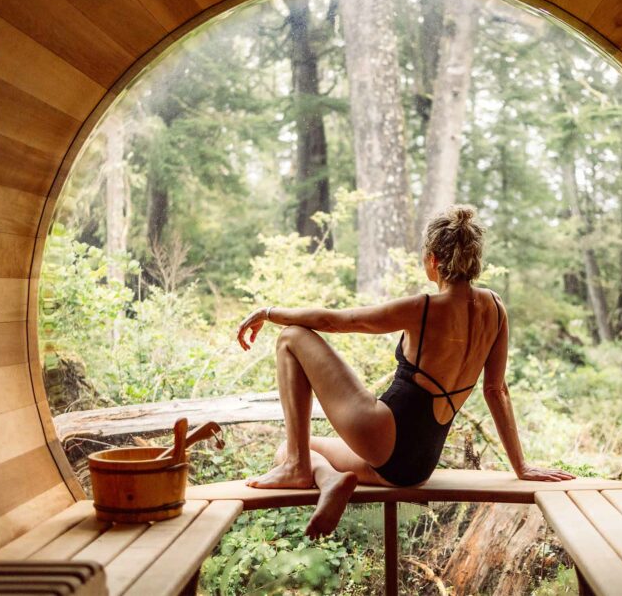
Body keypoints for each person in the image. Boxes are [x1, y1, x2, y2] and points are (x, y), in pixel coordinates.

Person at [235, 204, 575, 538]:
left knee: (291, 337)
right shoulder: (496, 309)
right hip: (416, 467)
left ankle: (299, 468)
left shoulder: (425, 307)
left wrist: (268, 312)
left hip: (382, 435)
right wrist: (521, 467)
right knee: (293, 449)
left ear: (433, 260)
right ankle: (328, 478)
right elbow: (495, 390)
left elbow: (337, 321)